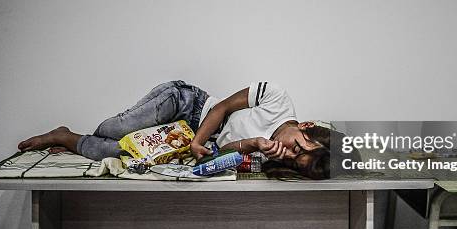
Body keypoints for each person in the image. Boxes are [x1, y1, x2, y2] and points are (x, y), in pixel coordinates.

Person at [17, 80, 332, 179]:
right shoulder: (276, 97)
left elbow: (215, 157)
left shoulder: (266, 157)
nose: (288, 153)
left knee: (114, 150)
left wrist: (250, 144)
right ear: (306, 126)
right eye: (299, 146)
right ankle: (78, 137)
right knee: (112, 129)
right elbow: (222, 108)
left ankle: (65, 136)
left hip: (185, 136)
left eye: (293, 161)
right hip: (187, 104)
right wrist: (197, 141)